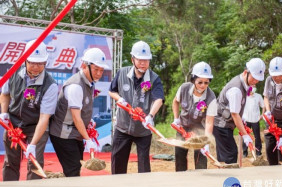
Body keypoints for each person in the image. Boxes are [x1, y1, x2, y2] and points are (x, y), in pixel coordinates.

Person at [0, 40, 58, 181]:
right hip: (13, 123)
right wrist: (4, 112)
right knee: (10, 162)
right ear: (25, 59)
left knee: (35, 163)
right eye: (32, 62)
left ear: (45, 62)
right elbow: (5, 94)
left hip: (36, 125)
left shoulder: (50, 85)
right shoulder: (13, 73)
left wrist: (32, 145)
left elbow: (44, 118)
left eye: (40, 63)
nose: (36, 67)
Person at [49, 48, 108, 177]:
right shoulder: (75, 86)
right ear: (84, 65)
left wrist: (89, 121)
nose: (99, 73)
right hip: (64, 134)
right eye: (96, 69)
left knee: (75, 167)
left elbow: (83, 110)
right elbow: (76, 118)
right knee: (73, 169)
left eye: (101, 70)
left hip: (75, 134)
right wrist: (88, 139)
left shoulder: (89, 83)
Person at [109, 41, 164, 174]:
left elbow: (158, 99)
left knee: (144, 165)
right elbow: (112, 91)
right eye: (140, 60)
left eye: (146, 60)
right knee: (118, 163)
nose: (143, 63)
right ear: (133, 59)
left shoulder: (154, 78)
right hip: (122, 127)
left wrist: (150, 116)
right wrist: (119, 98)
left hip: (143, 129)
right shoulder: (122, 73)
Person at [213, 58, 266, 164]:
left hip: (226, 124)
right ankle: (228, 178)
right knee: (231, 153)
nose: (256, 81)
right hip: (220, 124)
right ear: (246, 72)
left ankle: (223, 176)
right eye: (254, 78)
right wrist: (245, 135)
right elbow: (234, 114)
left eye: (258, 79)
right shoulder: (236, 90)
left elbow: (237, 110)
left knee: (225, 156)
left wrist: (243, 121)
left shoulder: (244, 85)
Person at [171, 62, 217, 171]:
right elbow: (175, 102)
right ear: (193, 80)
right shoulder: (184, 88)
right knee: (180, 155)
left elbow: (209, 122)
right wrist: (176, 118)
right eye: (200, 82)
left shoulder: (211, 98)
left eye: (206, 82)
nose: (203, 85)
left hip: (200, 130)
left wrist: (206, 141)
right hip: (183, 126)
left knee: (200, 157)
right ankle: (181, 179)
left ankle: (201, 180)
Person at [263, 57, 282, 165]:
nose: (277, 77)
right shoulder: (269, 80)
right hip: (272, 120)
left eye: (280, 74)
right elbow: (265, 97)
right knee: (270, 147)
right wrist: (268, 111)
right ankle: (273, 168)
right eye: (274, 74)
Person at [242, 87, 265, 157]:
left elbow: (263, 106)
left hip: (255, 119)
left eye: (252, 91)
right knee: (245, 135)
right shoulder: (244, 96)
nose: (251, 93)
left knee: (257, 136)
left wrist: (262, 114)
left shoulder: (258, 96)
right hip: (246, 119)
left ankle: (258, 152)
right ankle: (245, 152)